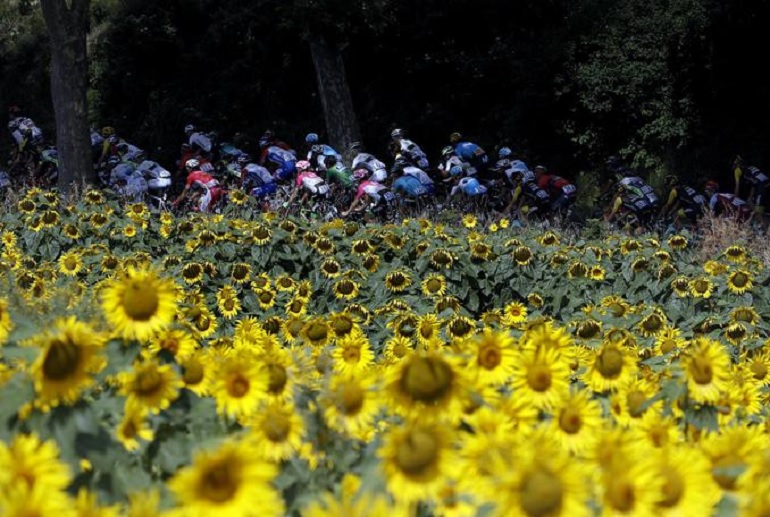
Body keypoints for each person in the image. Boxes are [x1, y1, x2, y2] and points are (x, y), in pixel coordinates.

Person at [733, 155, 769, 229]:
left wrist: (733, 199)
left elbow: (737, 186)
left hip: (762, 187)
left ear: (737, 165)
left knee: (758, 212)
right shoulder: (751, 168)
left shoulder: (738, 170)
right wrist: (750, 197)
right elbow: (754, 184)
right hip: (766, 184)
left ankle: (766, 229)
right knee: (750, 201)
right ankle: (762, 221)